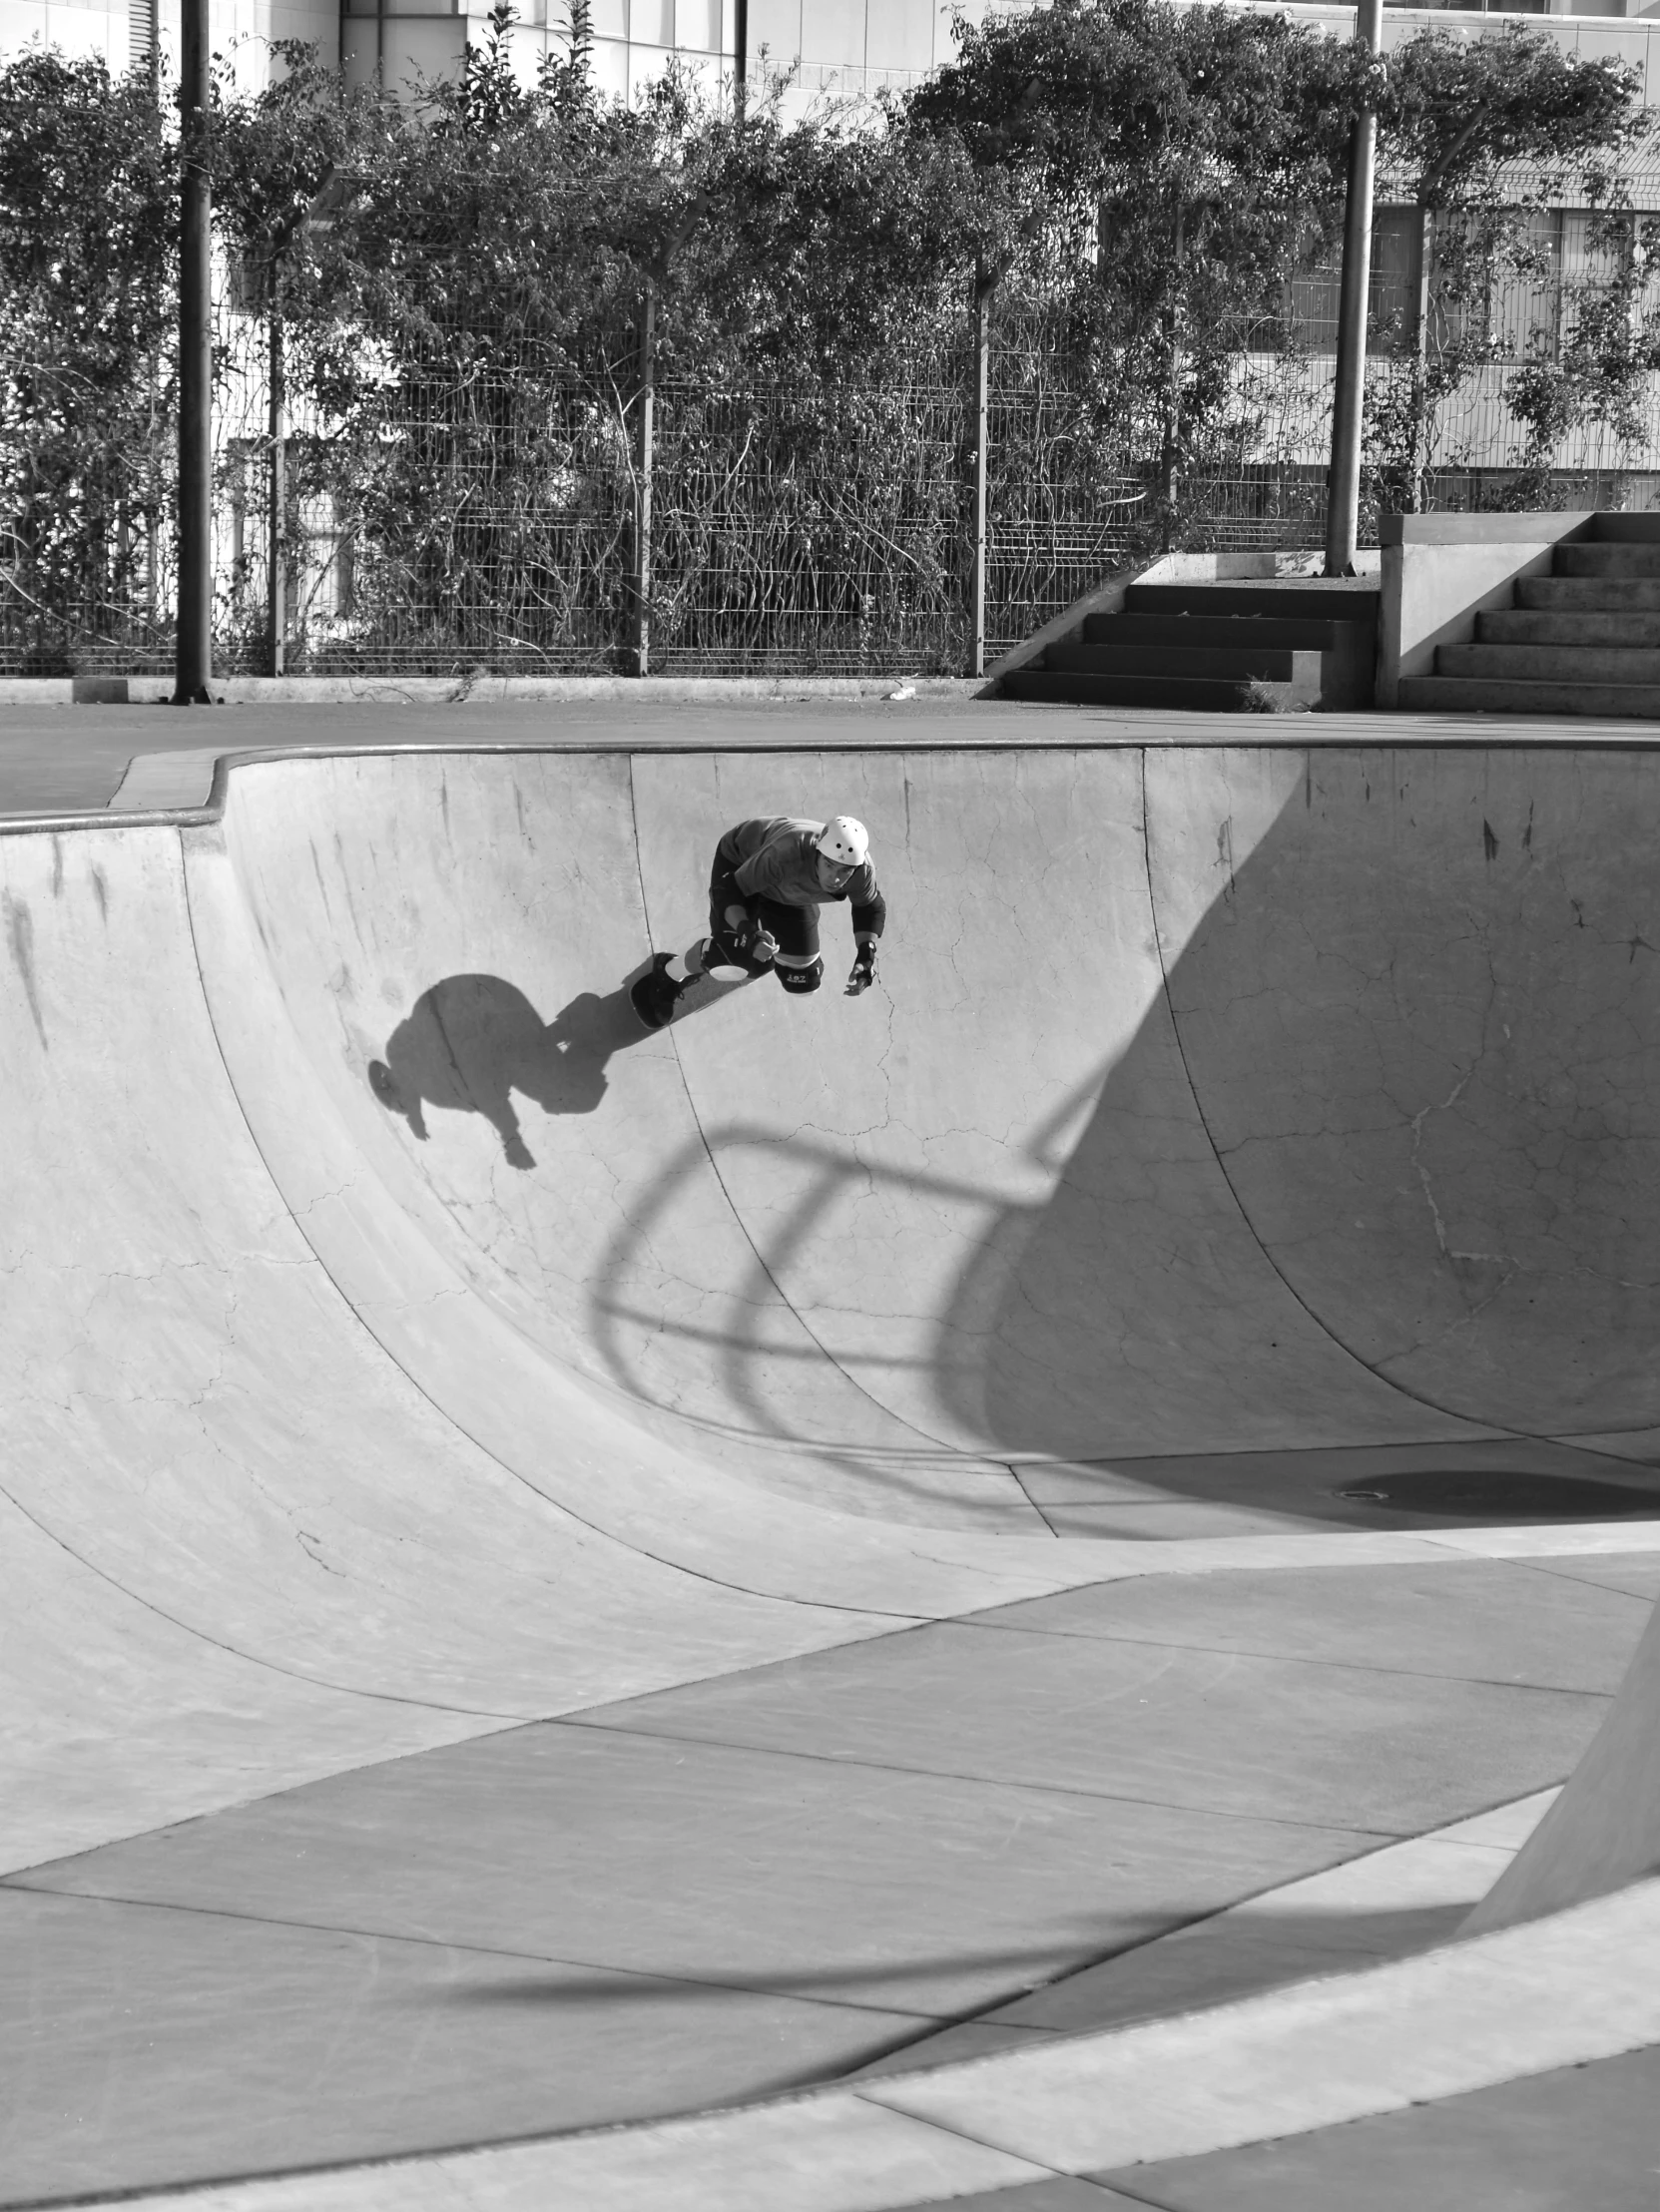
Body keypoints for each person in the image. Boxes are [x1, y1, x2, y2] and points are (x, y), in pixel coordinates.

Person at [632, 814, 885, 1031]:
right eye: (829, 865)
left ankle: (768, 948)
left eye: (844, 871)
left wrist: (866, 954)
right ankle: (667, 972)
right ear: (817, 852)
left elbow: (869, 907)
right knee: (732, 961)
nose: (836, 879)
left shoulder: (862, 870)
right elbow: (727, 893)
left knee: (805, 983)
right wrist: (748, 934)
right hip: (740, 867)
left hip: (787, 893)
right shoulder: (785, 854)